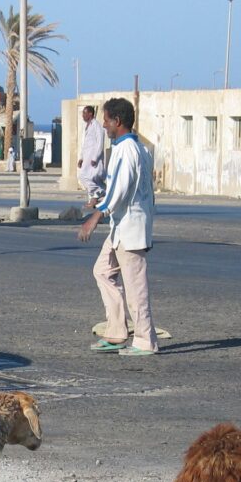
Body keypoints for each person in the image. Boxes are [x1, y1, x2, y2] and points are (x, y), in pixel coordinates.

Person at [77, 97, 158, 357]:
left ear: (117, 121)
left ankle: (146, 341)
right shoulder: (140, 149)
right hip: (121, 228)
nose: (104, 125)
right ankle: (116, 332)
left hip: (131, 230)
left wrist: (95, 216)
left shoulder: (127, 150)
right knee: (102, 271)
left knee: (136, 288)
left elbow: (119, 191)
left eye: (106, 120)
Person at [78, 105, 107, 206]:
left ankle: (101, 192)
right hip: (86, 158)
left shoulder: (96, 126)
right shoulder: (86, 126)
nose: (83, 115)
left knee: (87, 177)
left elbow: (100, 142)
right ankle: (94, 199)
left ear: (90, 113)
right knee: (86, 177)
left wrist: (95, 157)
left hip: (94, 159)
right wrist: (81, 158)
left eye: (84, 113)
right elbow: (84, 144)